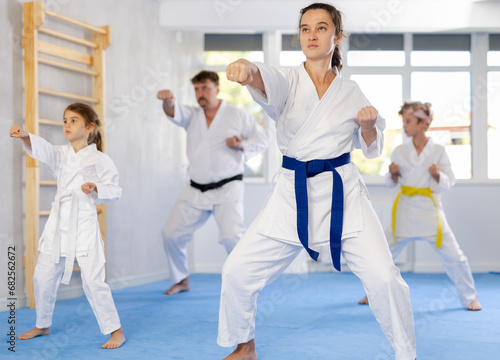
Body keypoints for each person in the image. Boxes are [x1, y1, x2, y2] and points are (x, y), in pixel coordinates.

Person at [217, 3, 417, 360]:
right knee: (236, 269)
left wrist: (369, 127)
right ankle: (244, 345)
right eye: (305, 28)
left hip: (344, 195)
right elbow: (265, 78)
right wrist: (247, 69)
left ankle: (406, 352)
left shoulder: (351, 91)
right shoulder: (288, 81)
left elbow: (371, 150)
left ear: (337, 37)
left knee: (385, 278)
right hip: (292, 196)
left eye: (321, 28)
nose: (312, 34)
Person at [10, 103, 125, 349]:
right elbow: (43, 150)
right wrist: (26, 136)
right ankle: (42, 324)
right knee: (41, 276)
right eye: (65, 120)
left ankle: (116, 330)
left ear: (89, 127)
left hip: (82, 222)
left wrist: (96, 189)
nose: (67, 125)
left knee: (93, 282)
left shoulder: (100, 159)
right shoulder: (61, 153)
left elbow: (115, 190)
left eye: (74, 120)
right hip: (59, 221)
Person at [358, 101, 482, 311]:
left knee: (455, 257)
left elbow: (449, 182)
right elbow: (391, 184)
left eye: (408, 121)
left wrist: (437, 175)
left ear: (423, 122)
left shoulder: (439, 151)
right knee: (383, 253)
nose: (405, 125)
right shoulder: (399, 151)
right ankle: (373, 293)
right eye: (403, 121)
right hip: (405, 210)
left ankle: (470, 297)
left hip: (430, 212)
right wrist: (393, 174)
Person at [157, 71, 268, 295]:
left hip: (228, 187)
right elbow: (173, 112)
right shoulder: (192, 115)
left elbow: (262, 139)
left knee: (231, 237)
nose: (201, 93)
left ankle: (246, 283)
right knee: (171, 234)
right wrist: (169, 102)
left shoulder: (237, 115)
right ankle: (181, 279)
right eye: (197, 89)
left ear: (217, 89)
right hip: (196, 189)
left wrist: (241, 145)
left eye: (205, 88)